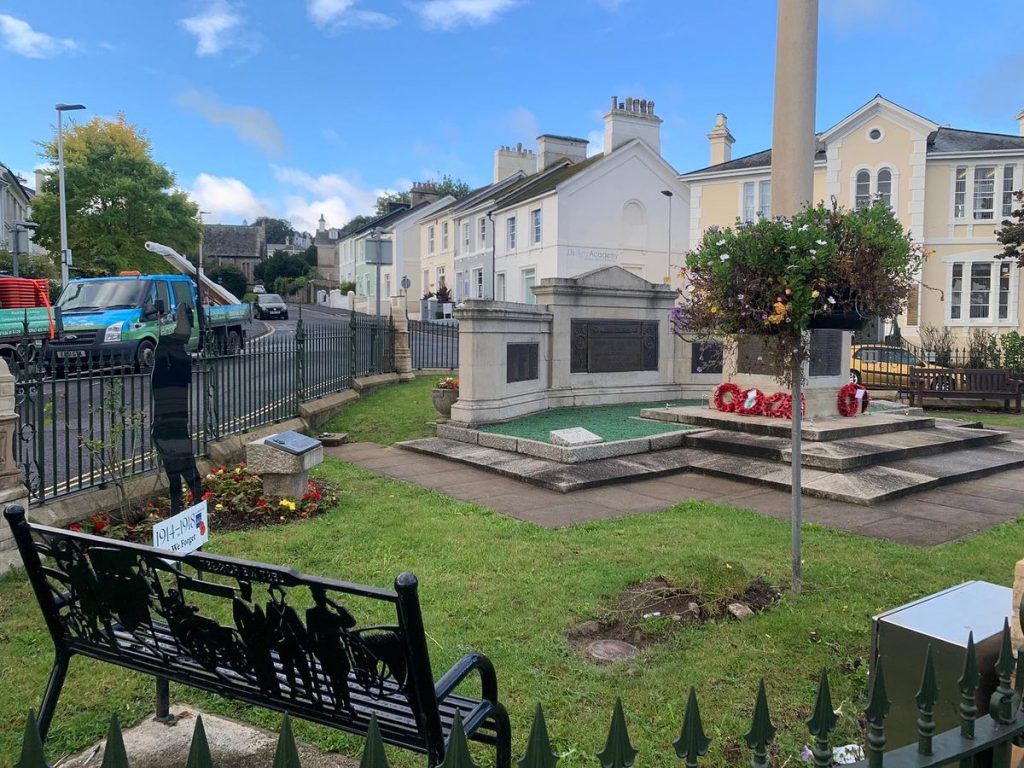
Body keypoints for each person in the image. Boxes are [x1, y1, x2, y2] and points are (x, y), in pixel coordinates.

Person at [151, 303, 201, 514]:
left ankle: (178, 512)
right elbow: (180, 336)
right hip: (173, 427)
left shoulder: (166, 366)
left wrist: (182, 316)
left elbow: (178, 336)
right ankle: (192, 511)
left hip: (165, 427)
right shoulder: (180, 364)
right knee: (189, 475)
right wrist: (183, 315)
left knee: (177, 476)